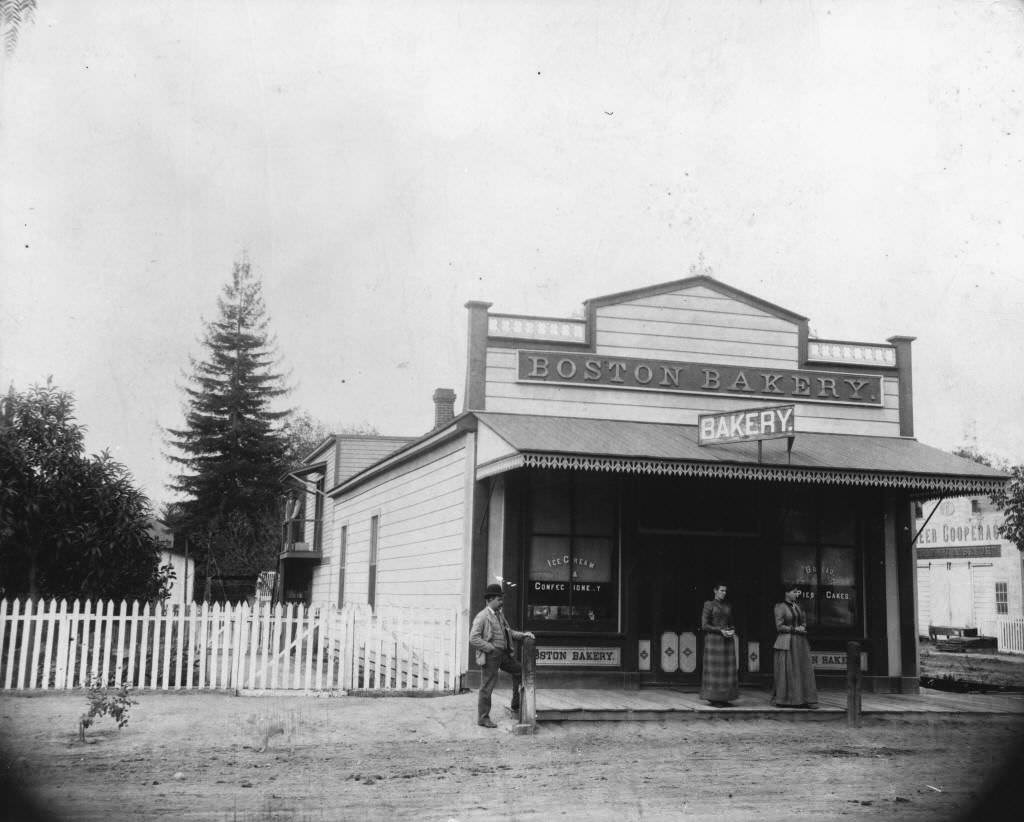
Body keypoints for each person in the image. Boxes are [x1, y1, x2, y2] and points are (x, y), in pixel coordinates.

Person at [469, 583, 535, 728]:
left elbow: (509, 632)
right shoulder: (482, 617)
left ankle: (515, 705)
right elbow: (473, 638)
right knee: (487, 686)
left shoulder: (500, 615)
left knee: (520, 671)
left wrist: (524, 635)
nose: (501, 602)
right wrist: (490, 648)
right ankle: (483, 718)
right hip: (491, 655)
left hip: (503, 655)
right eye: (499, 599)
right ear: (490, 600)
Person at [770, 585, 819, 709]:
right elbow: (779, 626)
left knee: (802, 669)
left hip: (800, 642)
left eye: (797, 592)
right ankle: (785, 700)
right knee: (789, 670)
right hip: (787, 642)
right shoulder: (780, 607)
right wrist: (794, 629)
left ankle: (803, 699)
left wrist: (803, 626)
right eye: (794, 592)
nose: (797, 594)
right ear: (787, 593)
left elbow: (803, 621)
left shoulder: (798, 606)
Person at [700, 583, 739, 707]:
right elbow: (704, 625)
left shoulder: (728, 606)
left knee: (726, 670)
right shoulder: (709, 605)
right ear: (715, 591)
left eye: (725, 591)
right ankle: (714, 698)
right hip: (714, 641)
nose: (724, 593)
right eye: (721, 590)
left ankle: (725, 698)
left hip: (727, 640)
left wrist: (732, 630)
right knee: (715, 670)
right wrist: (719, 630)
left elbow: (731, 622)